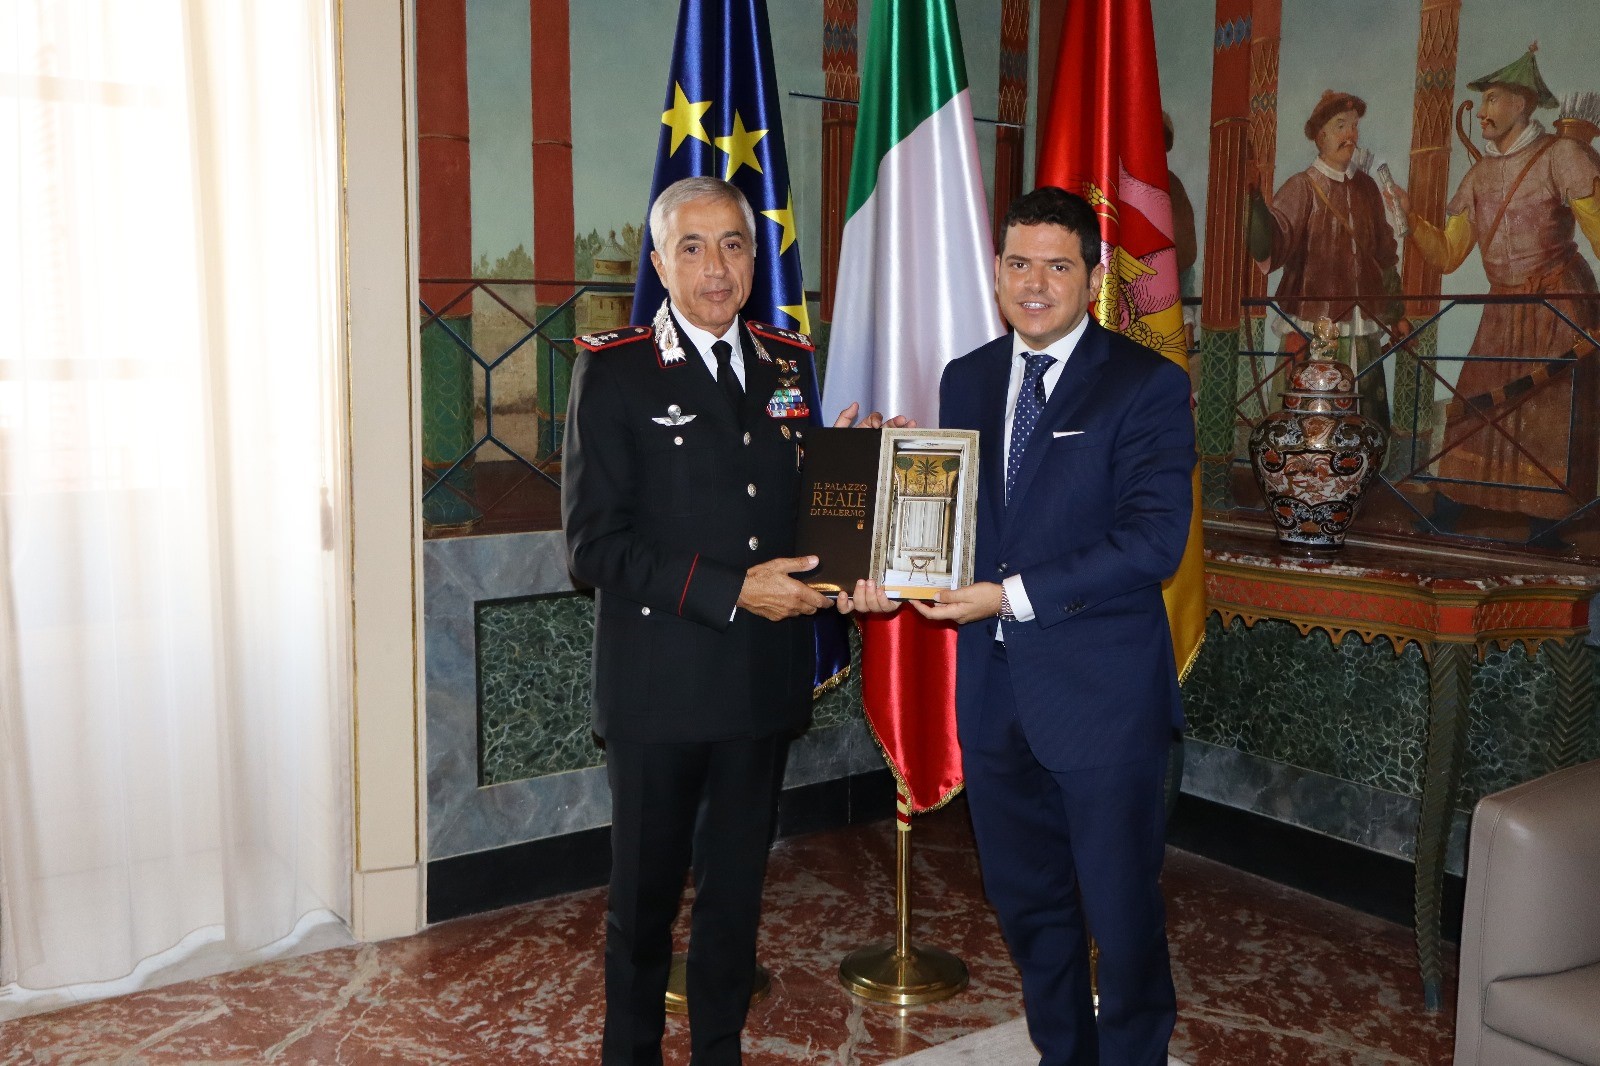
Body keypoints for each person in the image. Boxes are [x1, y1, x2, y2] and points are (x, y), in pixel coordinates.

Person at [562, 175, 896, 1066]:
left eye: (735, 245)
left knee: (736, 899)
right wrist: (732, 589)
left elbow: (797, 514)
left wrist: (855, 467)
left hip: (758, 683)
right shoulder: (617, 369)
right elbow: (593, 548)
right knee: (644, 904)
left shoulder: (787, 362)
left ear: (756, 258)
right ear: (660, 261)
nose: (717, 267)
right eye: (694, 247)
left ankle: (720, 1050)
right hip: (659, 688)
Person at [912, 186, 1195, 1065]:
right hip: (994, 695)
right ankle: (1063, 1052)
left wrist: (1010, 595)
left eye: (1058, 266)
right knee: (1027, 903)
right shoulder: (965, 377)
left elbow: (1153, 541)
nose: (1035, 284)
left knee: (1121, 910)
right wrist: (890, 495)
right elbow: (958, 522)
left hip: (1103, 699)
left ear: (1094, 278)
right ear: (997, 271)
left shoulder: (1146, 384)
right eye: (1019, 264)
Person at [1392, 45, 1600, 534]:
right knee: (1476, 403)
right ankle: (1452, 504)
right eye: (1483, 100)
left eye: (1492, 99)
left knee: (1549, 412)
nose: (1481, 111)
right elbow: (1448, 255)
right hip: (1502, 308)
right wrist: (1411, 219)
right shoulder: (1480, 174)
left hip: (1558, 305)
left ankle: (1548, 521)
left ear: (1521, 104)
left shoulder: (1562, 155)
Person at [1249, 90, 1401, 434]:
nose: (1350, 135)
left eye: (1354, 126)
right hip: (1312, 329)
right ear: (1320, 137)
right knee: (1304, 427)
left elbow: (1385, 253)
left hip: (1363, 328)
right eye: (1341, 126)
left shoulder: (1367, 189)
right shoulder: (1301, 187)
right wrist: (1254, 199)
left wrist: (1397, 314)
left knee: (1366, 425)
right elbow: (1270, 245)